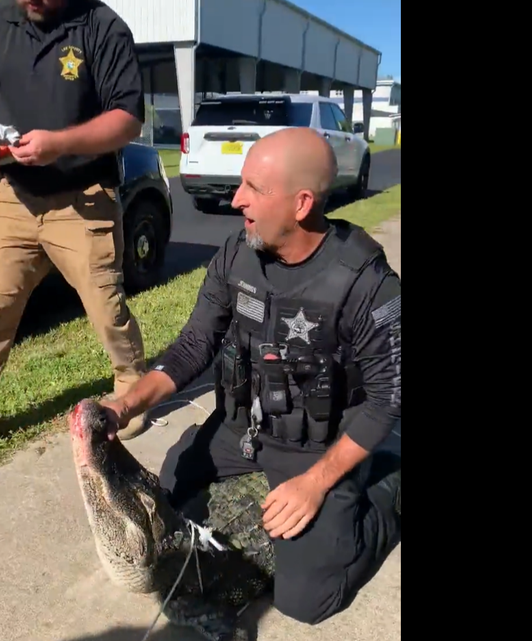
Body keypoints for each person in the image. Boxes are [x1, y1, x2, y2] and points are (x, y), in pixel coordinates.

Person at [100, 127, 402, 625]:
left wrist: (315, 483)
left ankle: (388, 491)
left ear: (302, 203)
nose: (237, 199)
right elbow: (194, 345)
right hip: (246, 429)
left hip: (322, 446)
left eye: (253, 189)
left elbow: (388, 399)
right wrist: (126, 405)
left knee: (307, 600)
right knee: (170, 494)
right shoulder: (237, 255)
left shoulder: (367, 284)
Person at [0, 0, 152, 437]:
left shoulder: (103, 27)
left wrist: (58, 144)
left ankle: (132, 391)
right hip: (13, 198)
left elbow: (128, 119)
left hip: (83, 198)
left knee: (106, 308)